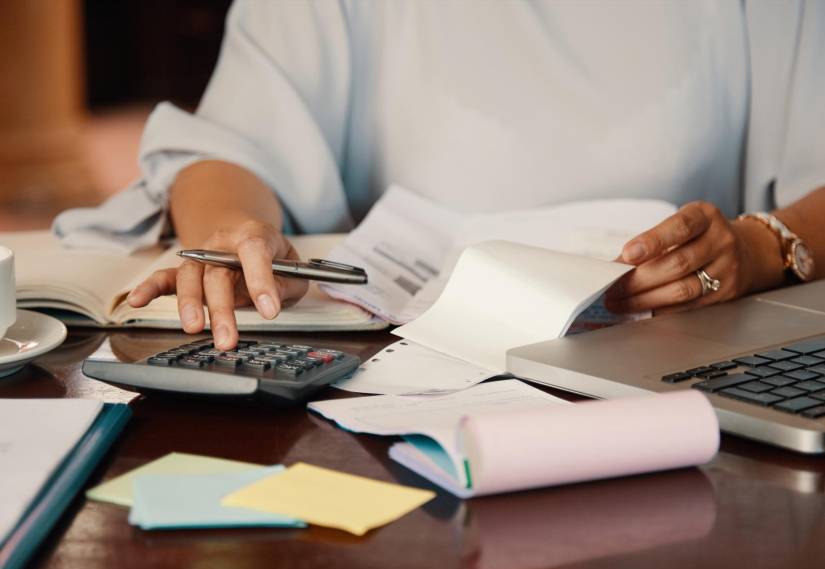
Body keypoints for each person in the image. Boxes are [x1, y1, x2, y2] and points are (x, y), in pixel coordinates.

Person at [54, 0, 825, 350]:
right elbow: (231, 145)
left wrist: (762, 247)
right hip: (404, 366)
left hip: (678, 360)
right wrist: (235, 233)